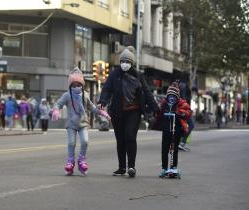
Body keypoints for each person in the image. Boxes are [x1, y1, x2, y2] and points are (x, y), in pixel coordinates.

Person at [97, 46, 159, 178]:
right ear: (120, 62)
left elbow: (147, 93)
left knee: (130, 137)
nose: (125, 64)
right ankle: (121, 168)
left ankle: (131, 167)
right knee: (120, 140)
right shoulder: (114, 74)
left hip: (133, 112)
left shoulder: (138, 76)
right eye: (122, 61)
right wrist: (103, 100)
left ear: (132, 63)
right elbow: (107, 89)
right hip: (117, 112)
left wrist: (155, 108)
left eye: (127, 62)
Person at [51, 67, 110, 176]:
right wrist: (55, 111)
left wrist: (102, 113)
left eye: (78, 85)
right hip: (71, 124)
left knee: (85, 142)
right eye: (74, 85)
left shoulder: (85, 95)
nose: (76, 87)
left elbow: (92, 107)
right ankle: (70, 162)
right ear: (70, 85)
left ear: (82, 84)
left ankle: (81, 160)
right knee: (71, 143)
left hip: (83, 123)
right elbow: (58, 104)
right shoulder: (67, 95)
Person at [153, 82, 192, 177]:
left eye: (174, 96)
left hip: (177, 128)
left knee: (174, 149)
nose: (172, 98)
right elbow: (159, 113)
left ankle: (173, 167)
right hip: (166, 128)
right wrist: (156, 114)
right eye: (170, 96)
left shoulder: (182, 103)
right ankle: (164, 168)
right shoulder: (164, 103)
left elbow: (188, 111)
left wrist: (181, 112)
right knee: (164, 149)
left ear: (177, 96)